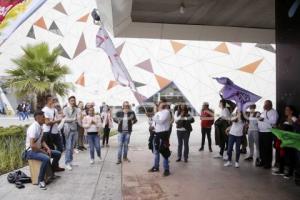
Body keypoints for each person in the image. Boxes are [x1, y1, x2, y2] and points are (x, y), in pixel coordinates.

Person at [25, 110, 63, 190]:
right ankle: (40, 180)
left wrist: (48, 148)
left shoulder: (41, 126)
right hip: (30, 152)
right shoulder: (33, 128)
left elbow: (42, 141)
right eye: (43, 117)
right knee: (46, 158)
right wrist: (43, 152)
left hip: (37, 149)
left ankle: (52, 173)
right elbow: (32, 146)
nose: (45, 118)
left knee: (58, 153)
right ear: (37, 118)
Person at [273, 105, 298, 179]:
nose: (285, 111)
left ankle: (290, 173)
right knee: (281, 155)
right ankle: (281, 170)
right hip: (283, 139)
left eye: (287, 110)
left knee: (290, 156)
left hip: (290, 140)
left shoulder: (294, 118)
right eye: (285, 109)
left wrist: (290, 118)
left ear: (291, 111)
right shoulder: (284, 118)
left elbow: (295, 128)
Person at [148, 99, 171, 176]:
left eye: (160, 102)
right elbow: (155, 124)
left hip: (163, 134)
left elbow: (160, 121)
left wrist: (153, 116)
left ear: (163, 104)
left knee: (164, 152)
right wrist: (151, 124)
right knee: (156, 152)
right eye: (158, 103)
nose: (158, 103)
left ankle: (166, 169)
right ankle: (156, 167)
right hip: (156, 134)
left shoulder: (166, 112)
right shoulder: (157, 113)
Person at [257, 100, 279, 169]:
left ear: (270, 105)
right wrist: (258, 118)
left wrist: (263, 120)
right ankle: (262, 161)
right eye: (264, 104)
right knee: (261, 148)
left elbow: (273, 122)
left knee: (267, 148)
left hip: (268, 132)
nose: (264, 105)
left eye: (266, 104)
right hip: (261, 131)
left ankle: (268, 163)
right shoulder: (263, 112)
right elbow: (260, 119)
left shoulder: (273, 112)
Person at [63, 96, 80, 170]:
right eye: (71, 100)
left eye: (74, 100)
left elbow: (79, 119)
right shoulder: (65, 109)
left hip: (75, 129)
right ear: (69, 101)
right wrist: (74, 119)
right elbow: (65, 119)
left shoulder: (76, 109)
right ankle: (67, 163)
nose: (73, 102)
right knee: (68, 147)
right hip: (68, 130)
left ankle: (71, 161)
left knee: (72, 147)